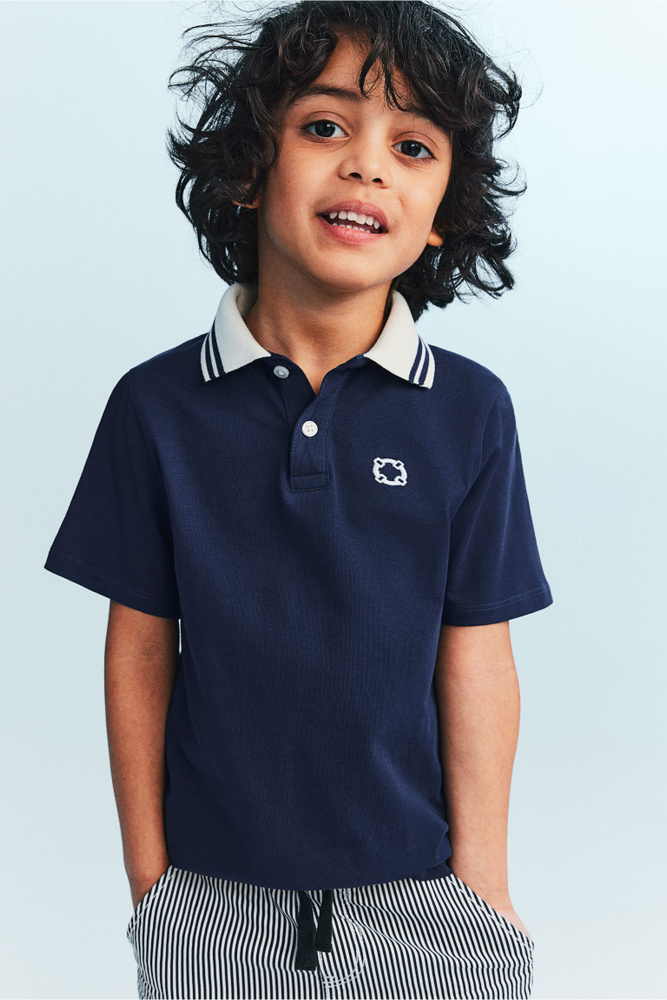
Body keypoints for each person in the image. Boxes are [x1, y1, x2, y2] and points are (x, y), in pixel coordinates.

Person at [44, 2, 553, 997]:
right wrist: (151, 882)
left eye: (412, 146)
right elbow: (139, 649)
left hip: (425, 901)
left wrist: (484, 887)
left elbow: (478, 659)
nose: (366, 166)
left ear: (442, 212)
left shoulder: (470, 412)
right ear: (248, 167)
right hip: (209, 902)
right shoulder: (156, 407)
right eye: (325, 127)